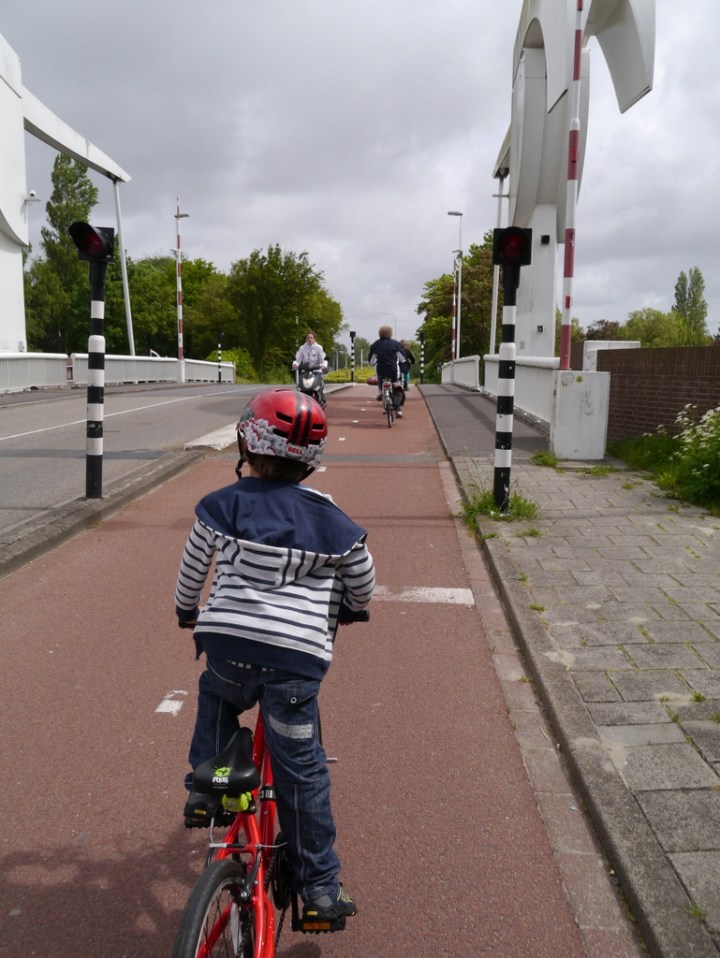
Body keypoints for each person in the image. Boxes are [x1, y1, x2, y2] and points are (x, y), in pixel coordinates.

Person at [174, 388, 375, 923]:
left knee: (216, 698)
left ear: (248, 440)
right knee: (302, 773)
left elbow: (193, 569)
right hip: (292, 665)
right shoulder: (333, 521)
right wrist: (354, 608)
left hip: (227, 651)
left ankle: (205, 787)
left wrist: (185, 610)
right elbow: (362, 578)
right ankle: (321, 891)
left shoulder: (221, 504)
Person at [368, 325, 405, 416]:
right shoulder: (396, 344)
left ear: (379, 333)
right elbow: (402, 359)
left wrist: (373, 362)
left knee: (380, 377)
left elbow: (372, 361)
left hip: (381, 369)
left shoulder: (376, 344)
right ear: (390, 333)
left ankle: (381, 390)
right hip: (393, 370)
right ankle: (398, 409)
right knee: (396, 388)